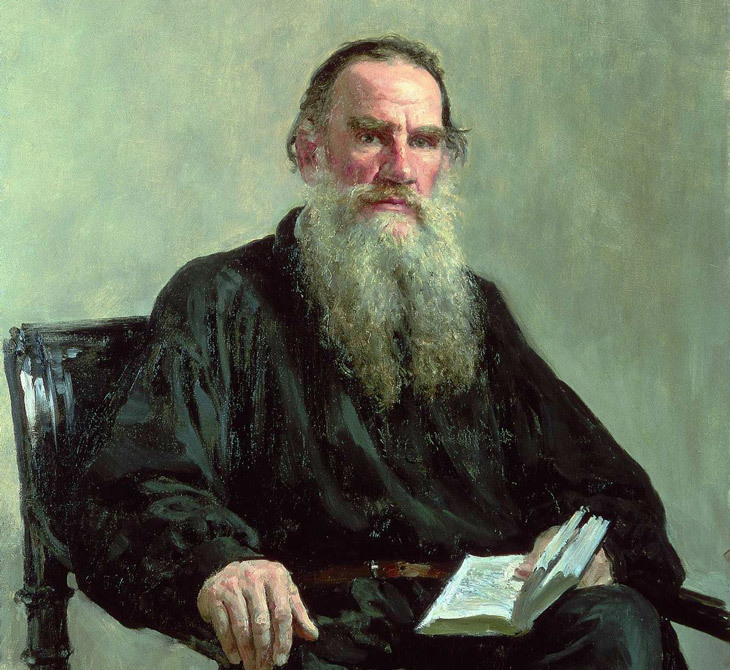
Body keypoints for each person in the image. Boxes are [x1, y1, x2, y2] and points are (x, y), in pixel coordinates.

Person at [69, 36, 688, 670]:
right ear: (310, 153)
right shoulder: (224, 297)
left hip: (492, 629)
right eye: (371, 137)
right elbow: (132, 487)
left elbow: (608, 485)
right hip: (331, 632)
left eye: (424, 141)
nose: (401, 168)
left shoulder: (474, 308)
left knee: (617, 624)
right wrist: (222, 564)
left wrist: (584, 545)